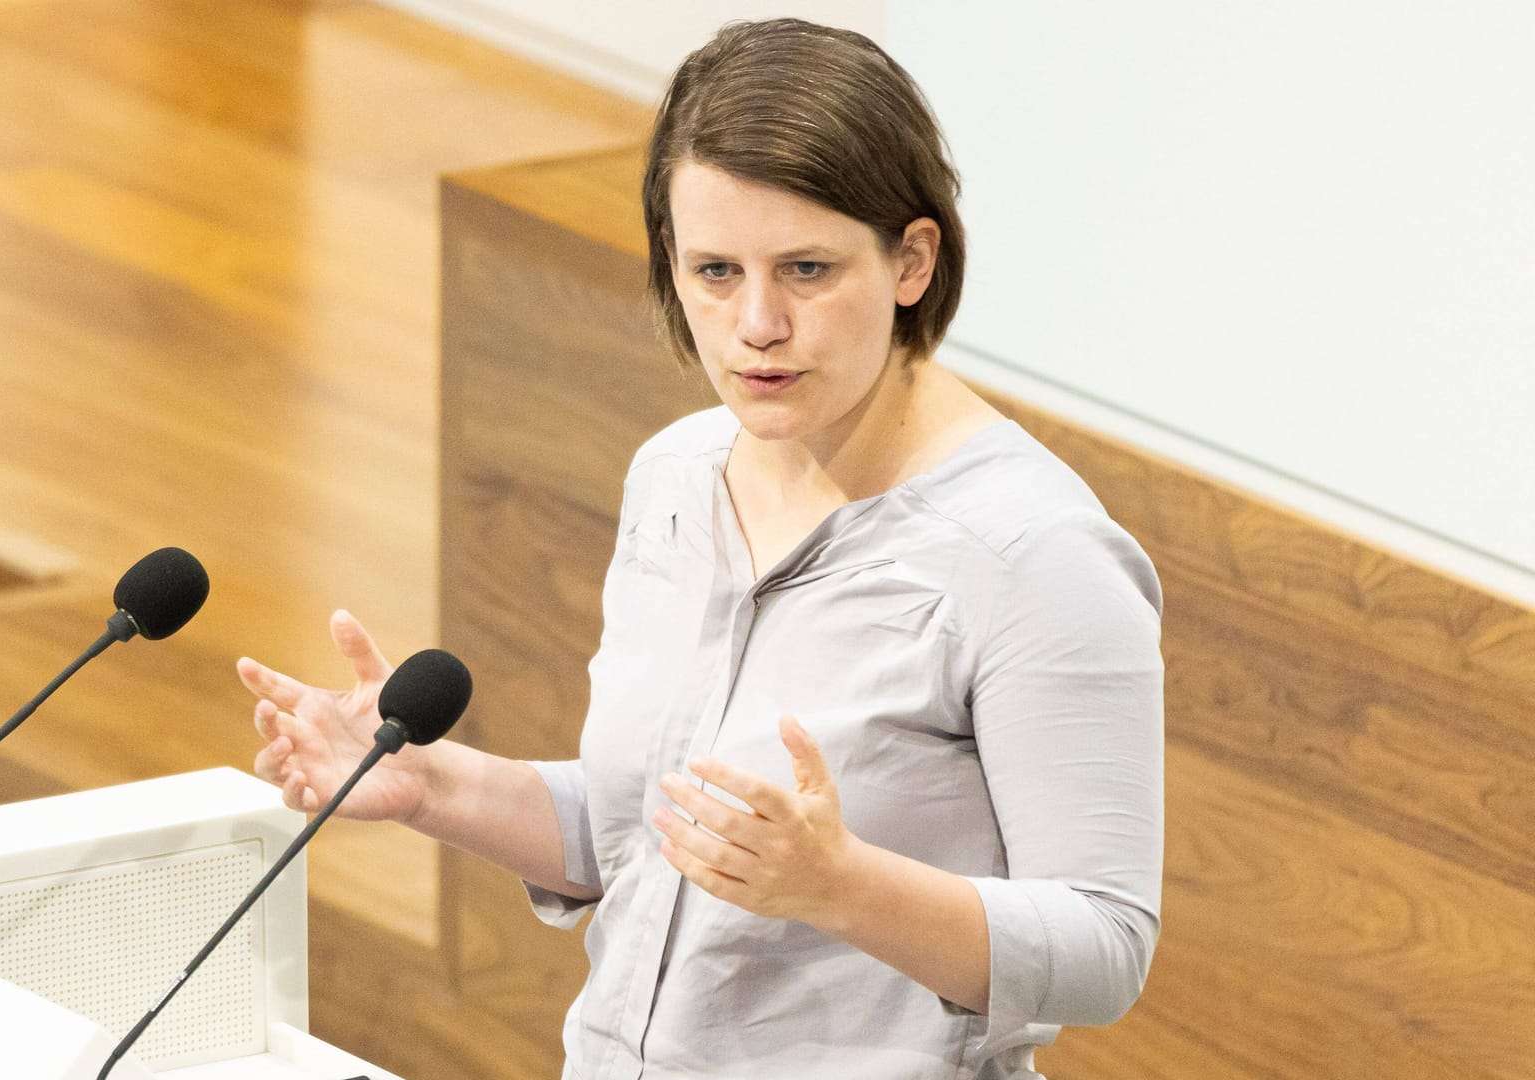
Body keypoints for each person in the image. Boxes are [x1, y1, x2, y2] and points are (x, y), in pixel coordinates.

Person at [239, 17, 1163, 1080]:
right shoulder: (678, 479)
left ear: (912, 260)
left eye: (806, 270)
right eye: (714, 271)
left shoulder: (1033, 556)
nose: (756, 323)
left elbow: (1105, 947)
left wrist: (840, 885)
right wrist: (435, 788)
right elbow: (648, 831)